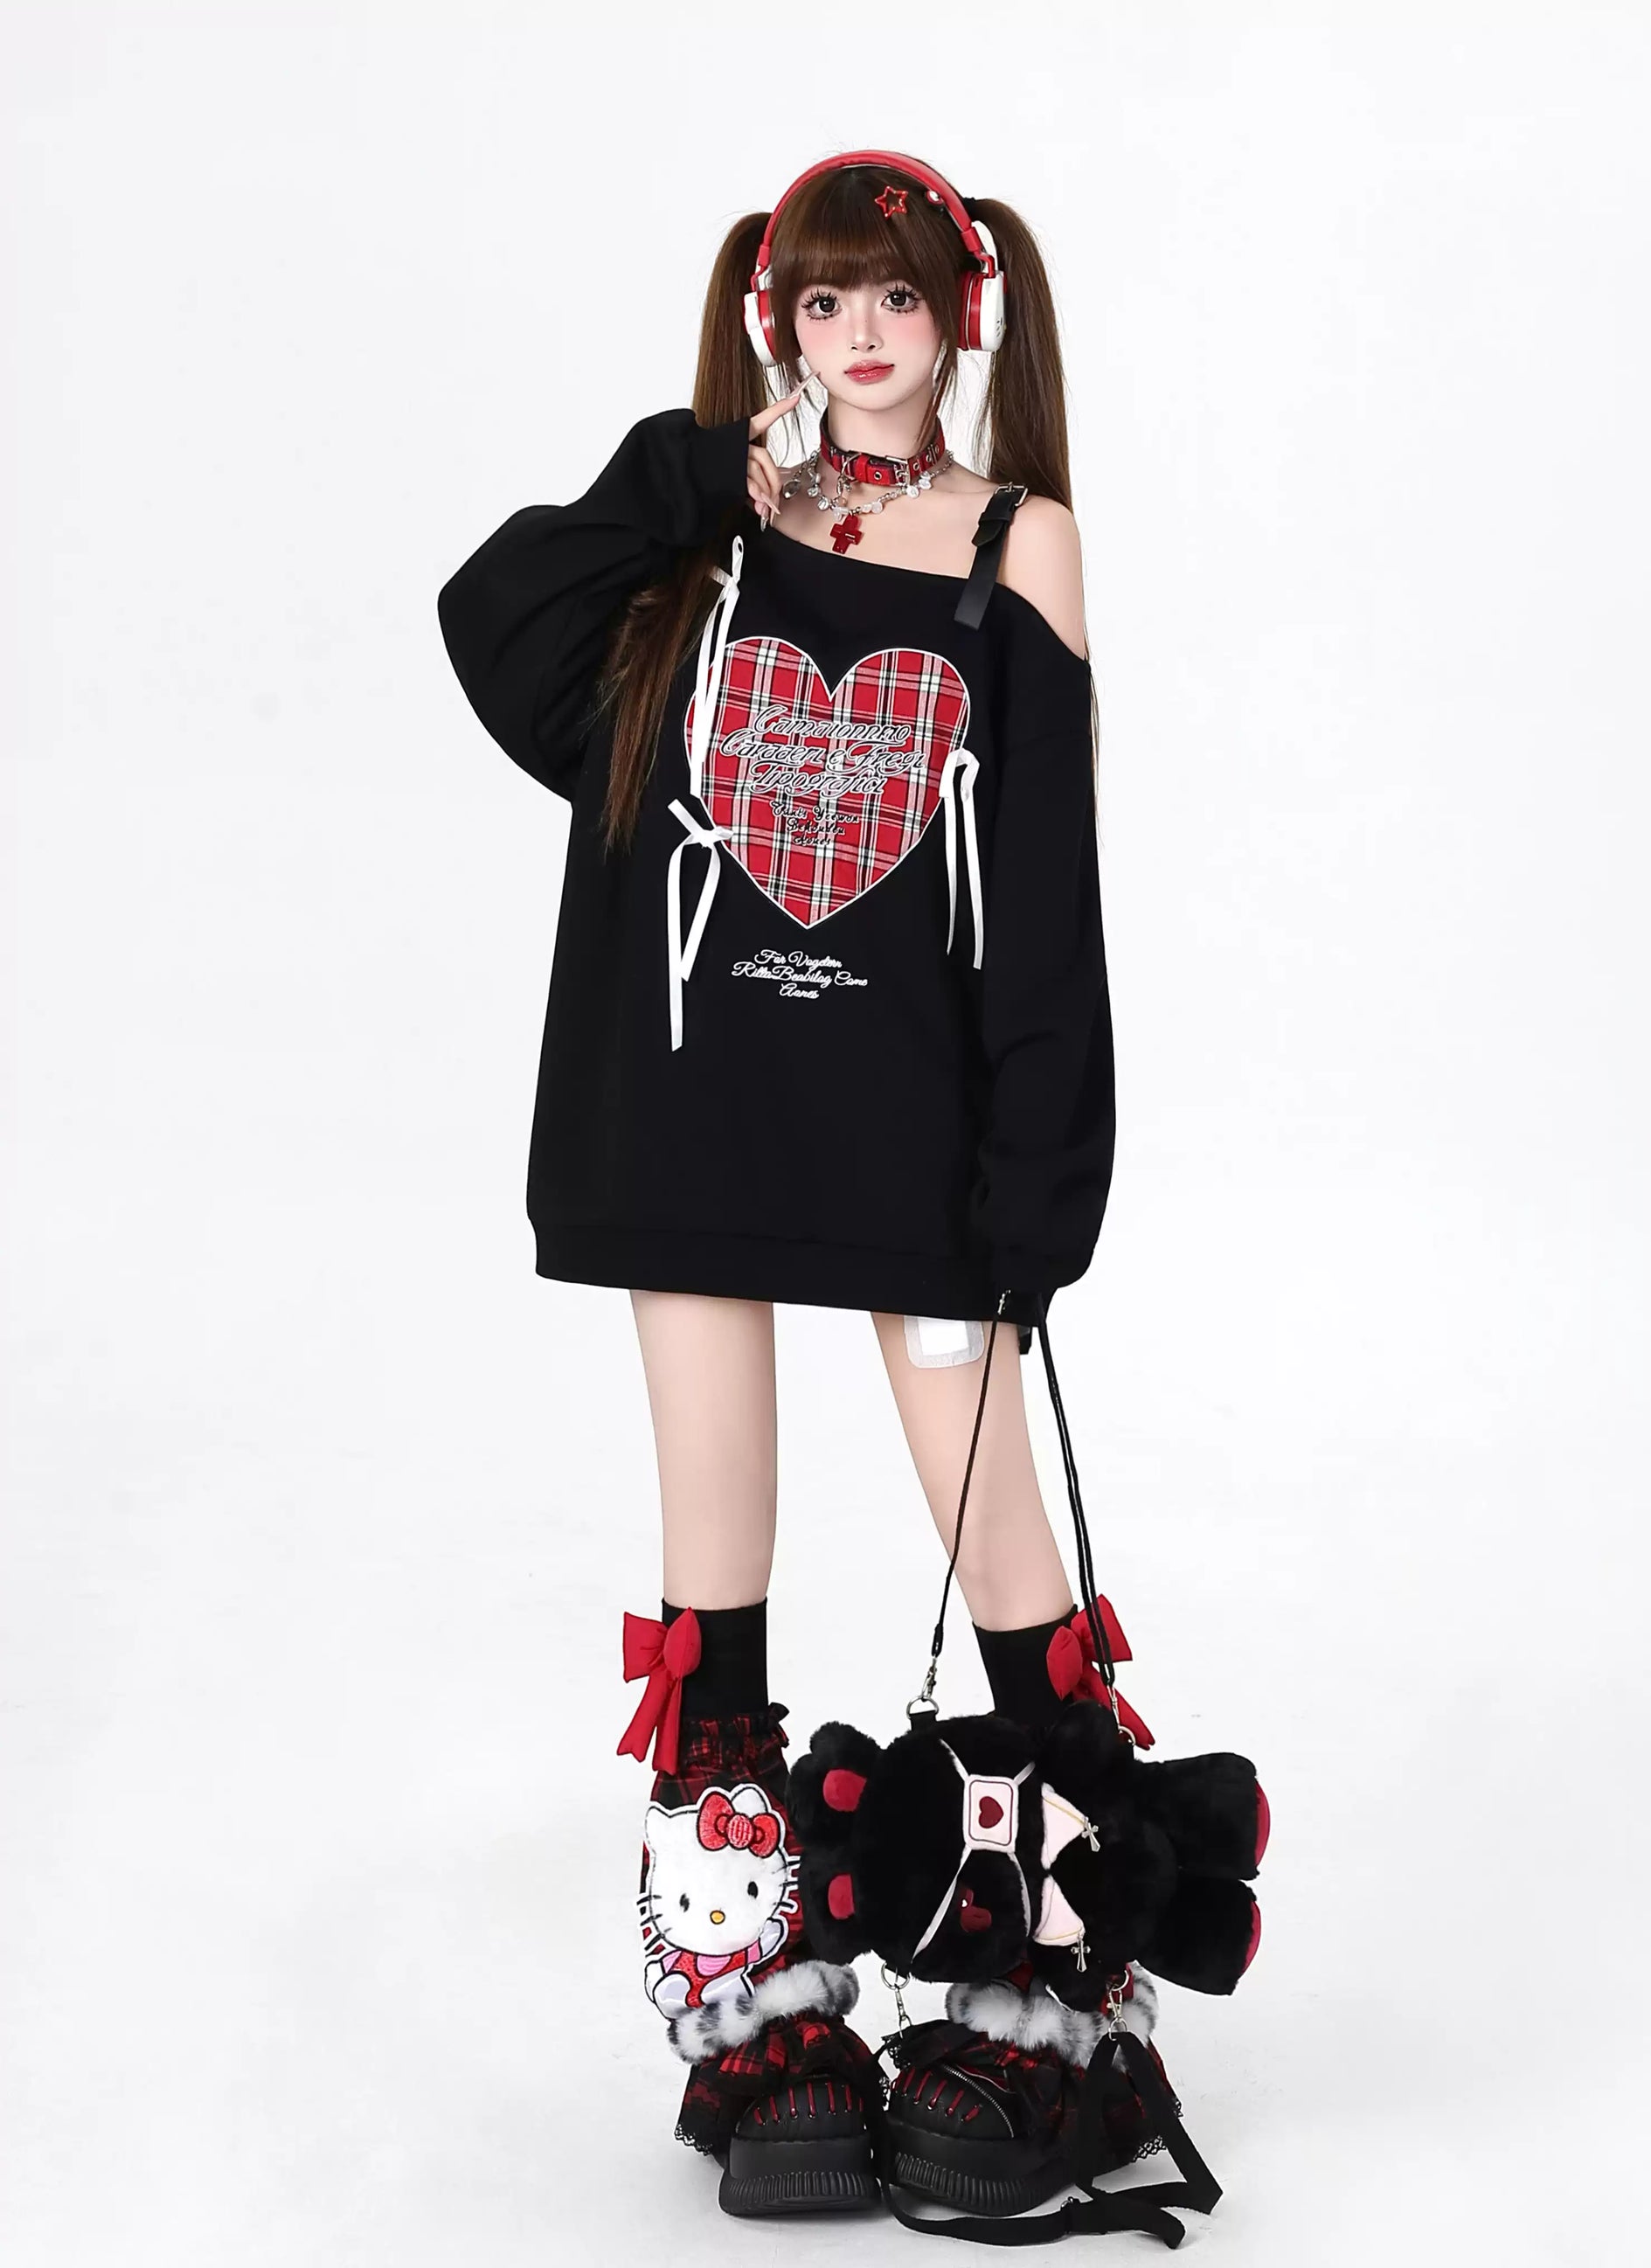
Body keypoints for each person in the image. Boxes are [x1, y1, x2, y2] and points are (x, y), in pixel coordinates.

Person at [436, 151, 1129, 2220]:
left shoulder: (1014, 541)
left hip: (917, 1129)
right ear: (775, 323)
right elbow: (490, 618)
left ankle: (1059, 1991)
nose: (862, 339)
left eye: (895, 298)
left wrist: (1043, 1163)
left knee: (995, 1533)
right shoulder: (705, 539)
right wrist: (688, 473)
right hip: (686, 1108)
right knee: (708, 1548)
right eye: (823, 303)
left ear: (961, 314)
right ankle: (752, 2003)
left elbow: (1049, 894)